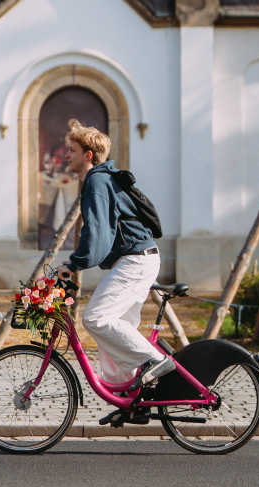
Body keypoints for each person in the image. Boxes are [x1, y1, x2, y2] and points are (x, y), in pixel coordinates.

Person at [56, 122, 175, 393]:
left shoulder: (97, 181)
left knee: (96, 317)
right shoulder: (101, 179)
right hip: (136, 259)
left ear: (88, 155)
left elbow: (97, 234)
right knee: (115, 330)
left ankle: (154, 361)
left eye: (72, 150)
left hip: (136, 261)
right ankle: (128, 393)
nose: (66, 155)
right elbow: (100, 233)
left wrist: (74, 264)